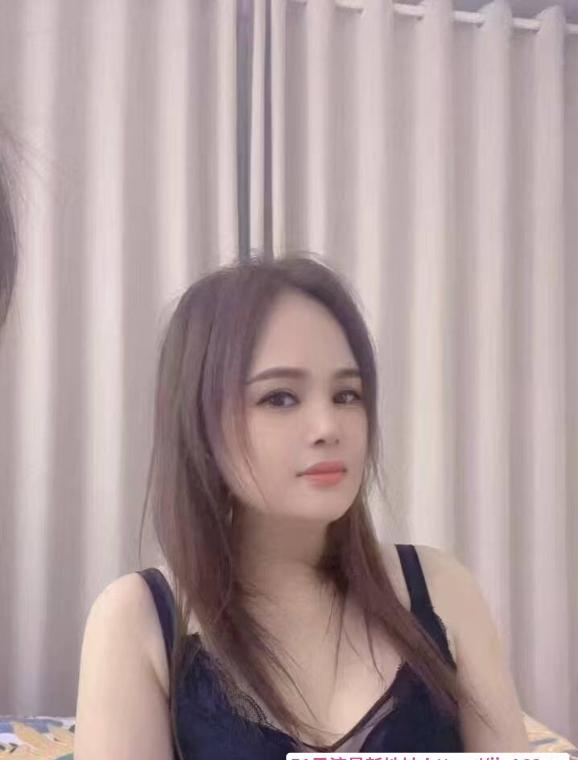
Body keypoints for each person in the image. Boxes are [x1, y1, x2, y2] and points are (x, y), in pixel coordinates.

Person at [74, 252, 531, 759]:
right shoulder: (138, 620)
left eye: (347, 395)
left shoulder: (441, 589)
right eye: (280, 398)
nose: (328, 427)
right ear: (200, 422)